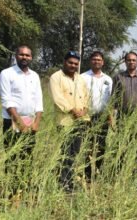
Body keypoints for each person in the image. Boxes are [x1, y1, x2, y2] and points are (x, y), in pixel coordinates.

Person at [0, 45, 43, 194]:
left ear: (31, 58)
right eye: (22, 55)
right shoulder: (7, 74)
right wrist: (19, 123)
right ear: (16, 56)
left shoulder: (34, 76)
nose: (25, 57)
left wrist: (36, 122)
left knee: (27, 155)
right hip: (12, 122)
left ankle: (24, 188)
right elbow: (7, 101)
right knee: (12, 156)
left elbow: (39, 100)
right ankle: (11, 191)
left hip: (30, 122)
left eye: (28, 55)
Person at [49, 51, 90, 192]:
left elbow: (86, 96)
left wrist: (84, 110)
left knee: (75, 152)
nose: (73, 65)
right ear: (64, 62)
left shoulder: (80, 79)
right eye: (70, 62)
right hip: (65, 121)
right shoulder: (56, 77)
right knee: (66, 152)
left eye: (75, 64)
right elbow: (58, 98)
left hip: (81, 121)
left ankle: (70, 180)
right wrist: (73, 111)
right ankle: (63, 183)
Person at [81, 51, 113, 181]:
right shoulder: (83, 77)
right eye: (94, 59)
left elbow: (110, 99)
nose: (97, 62)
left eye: (99, 60)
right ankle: (87, 173)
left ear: (103, 62)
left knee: (101, 145)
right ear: (90, 61)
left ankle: (98, 171)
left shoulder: (108, 79)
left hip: (103, 116)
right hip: (87, 116)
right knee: (88, 145)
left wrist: (111, 116)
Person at [112, 51, 137, 117]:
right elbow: (113, 98)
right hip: (121, 116)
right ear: (125, 62)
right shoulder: (118, 77)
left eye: (134, 60)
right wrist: (112, 117)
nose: (131, 62)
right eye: (129, 60)